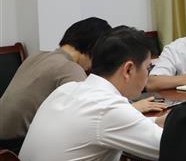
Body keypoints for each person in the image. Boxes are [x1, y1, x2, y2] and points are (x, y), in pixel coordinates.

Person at [18, 27, 165, 161]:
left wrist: (155, 122)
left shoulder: (67, 89)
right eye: (148, 68)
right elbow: (170, 146)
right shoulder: (109, 107)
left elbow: (110, 124)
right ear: (129, 69)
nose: (147, 76)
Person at [0, 17, 111, 152]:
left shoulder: (37, 56)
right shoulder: (70, 68)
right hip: (16, 147)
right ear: (93, 49)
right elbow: (91, 113)